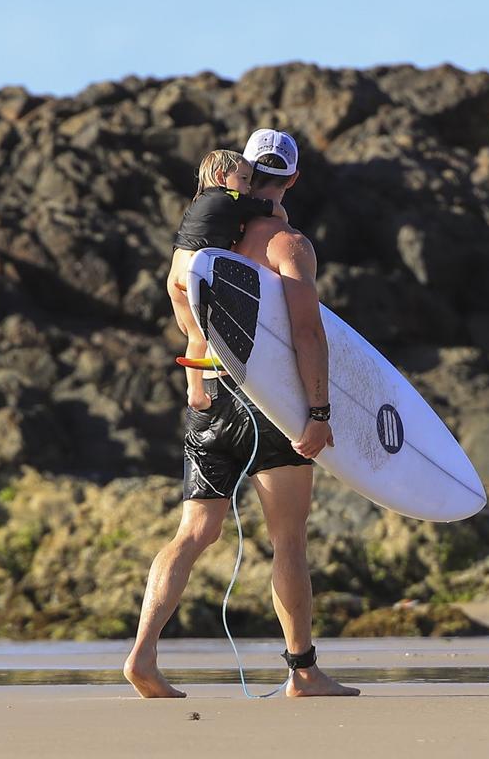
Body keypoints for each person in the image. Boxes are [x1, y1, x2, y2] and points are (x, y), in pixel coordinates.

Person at [124, 130, 359, 698]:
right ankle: (302, 671)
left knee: (194, 532)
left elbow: (188, 317)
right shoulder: (288, 245)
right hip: (268, 405)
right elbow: (306, 331)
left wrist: (196, 380)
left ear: (245, 173)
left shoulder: (205, 244)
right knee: (289, 540)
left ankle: (143, 655)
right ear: (293, 178)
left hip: (208, 396)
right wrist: (320, 411)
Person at [166, 149, 286, 411]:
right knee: (222, 324)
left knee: (195, 336)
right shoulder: (230, 197)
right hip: (195, 272)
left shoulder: (199, 200)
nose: (248, 187)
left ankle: (195, 392)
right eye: (244, 179)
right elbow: (271, 209)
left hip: (176, 272)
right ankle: (219, 370)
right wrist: (283, 218)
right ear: (222, 177)